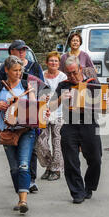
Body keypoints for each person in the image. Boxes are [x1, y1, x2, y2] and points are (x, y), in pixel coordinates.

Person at [0, 55, 39, 214]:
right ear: (6, 70)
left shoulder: (28, 86)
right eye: (15, 70)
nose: (19, 73)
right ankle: (21, 191)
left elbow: (34, 108)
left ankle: (23, 200)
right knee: (14, 168)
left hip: (26, 131)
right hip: (6, 132)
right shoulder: (0, 87)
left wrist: (41, 109)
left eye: (20, 70)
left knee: (23, 165)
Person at [51, 55, 102, 204]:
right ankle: (77, 192)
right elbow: (51, 106)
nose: (72, 76)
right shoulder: (63, 85)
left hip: (89, 123)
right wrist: (61, 99)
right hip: (70, 125)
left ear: (80, 68)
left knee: (96, 159)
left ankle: (89, 187)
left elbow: (105, 101)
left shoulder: (91, 83)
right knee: (70, 160)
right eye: (68, 73)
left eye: (74, 72)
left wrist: (103, 100)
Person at [0, 39, 44, 193]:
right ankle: (23, 180)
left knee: (31, 151)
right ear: (12, 51)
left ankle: (31, 181)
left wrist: (40, 107)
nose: (22, 52)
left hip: (29, 114)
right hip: (9, 119)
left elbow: (42, 88)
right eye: (19, 49)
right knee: (16, 163)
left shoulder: (34, 66)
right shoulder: (5, 67)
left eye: (24, 49)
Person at [36, 51, 67, 181]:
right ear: (46, 62)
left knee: (57, 143)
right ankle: (48, 166)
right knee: (41, 143)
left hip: (59, 113)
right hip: (43, 112)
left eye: (56, 61)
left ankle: (56, 170)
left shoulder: (63, 77)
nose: (53, 63)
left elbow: (65, 96)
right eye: (51, 61)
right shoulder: (41, 75)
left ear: (59, 64)